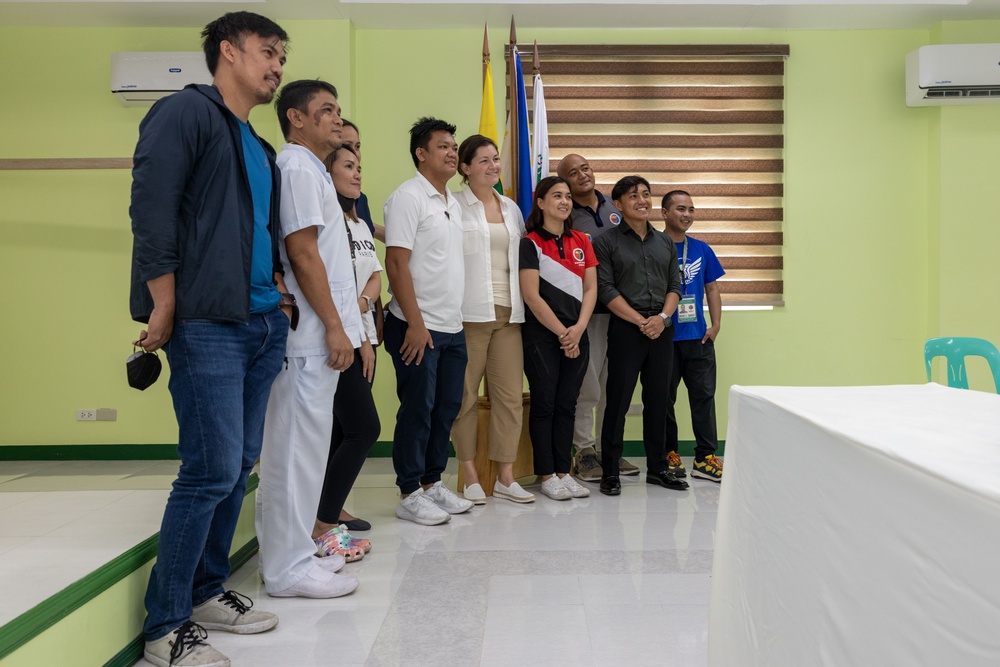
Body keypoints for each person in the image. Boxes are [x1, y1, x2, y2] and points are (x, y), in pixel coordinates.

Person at [130, 12, 289, 667]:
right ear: (228, 51)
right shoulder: (183, 114)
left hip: (259, 324)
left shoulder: (257, 143)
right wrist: (164, 302)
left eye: (282, 56)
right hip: (204, 323)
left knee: (237, 468)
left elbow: (260, 230)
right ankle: (165, 626)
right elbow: (151, 210)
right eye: (267, 52)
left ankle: (203, 590)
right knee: (209, 470)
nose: (277, 65)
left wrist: (277, 293)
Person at [256, 79, 361, 599]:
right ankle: (285, 568)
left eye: (338, 110)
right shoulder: (296, 166)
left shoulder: (312, 169)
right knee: (293, 453)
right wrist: (337, 327)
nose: (336, 119)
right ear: (295, 118)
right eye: (325, 111)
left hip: (322, 335)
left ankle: (296, 553)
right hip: (309, 338)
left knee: (306, 452)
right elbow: (303, 254)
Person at [384, 117, 474, 524]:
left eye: (454, 146)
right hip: (416, 326)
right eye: (443, 146)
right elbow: (396, 263)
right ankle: (408, 491)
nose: (453, 152)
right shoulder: (408, 197)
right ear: (421, 154)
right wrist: (417, 324)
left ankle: (432, 483)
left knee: (447, 408)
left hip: (452, 326)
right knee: (418, 409)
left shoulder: (451, 200)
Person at [592, 175, 689, 496]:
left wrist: (661, 318)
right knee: (617, 401)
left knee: (660, 401)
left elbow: (675, 285)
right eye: (633, 196)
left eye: (646, 195)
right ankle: (610, 471)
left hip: (662, 330)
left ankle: (658, 469)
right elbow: (605, 289)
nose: (642, 201)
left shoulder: (665, 242)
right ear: (618, 205)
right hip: (625, 330)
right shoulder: (606, 242)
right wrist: (640, 321)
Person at [452, 135, 534, 504]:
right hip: (469, 314)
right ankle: (469, 473)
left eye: (495, 159)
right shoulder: (453, 206)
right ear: (465, 167)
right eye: (483, 160)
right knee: (465, 398)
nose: (492, 166)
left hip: (509, 314)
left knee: (509, 398)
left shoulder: (512, 208)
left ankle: (505, 475)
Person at [309, 145, 382, 560]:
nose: (357, 175)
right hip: (329, 337)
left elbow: (373, 277)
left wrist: (365, 335)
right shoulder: (327, 222)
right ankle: (322, 523)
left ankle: (325, 515)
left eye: (360, 168)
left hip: (357, 334)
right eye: (348, 167)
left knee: (343, 431)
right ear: (327, 172)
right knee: (363, 429)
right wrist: (350, 323)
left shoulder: (357, 222)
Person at [557, 154, 640, 482]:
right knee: (587, 386)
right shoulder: (565, 214)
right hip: (587, 312)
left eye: (585, 169)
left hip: (623, 313)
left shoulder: (616, 206)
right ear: (564, 182)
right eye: (572, 174)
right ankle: (585, 451)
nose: (582, 176)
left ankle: (610, 449)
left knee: (614, 387)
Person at [519, 176, 597, 501]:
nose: (564, 202)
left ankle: (564, 472)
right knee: (545, 404)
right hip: (542, 335)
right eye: (556, 196)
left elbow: (591, 289)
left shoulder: (582, 240)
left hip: (578, 333)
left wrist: (578, 329)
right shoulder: (530, 242)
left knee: (568, 404)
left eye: (567, 196)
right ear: (540, 202)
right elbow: (531, 296)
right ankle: (547, 474)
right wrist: (564, 333)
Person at [661, 190, 725, 482]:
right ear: (664, 213)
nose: (686, 215)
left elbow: (712, 288)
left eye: (691, 209)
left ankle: (705, 457)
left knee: (703, 397)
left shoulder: (701, 249)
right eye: (680, 209)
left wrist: (715, 324)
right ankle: (669, 454)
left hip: (698, 337)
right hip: (664, 338)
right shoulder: (654, 247)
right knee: (664, 400)